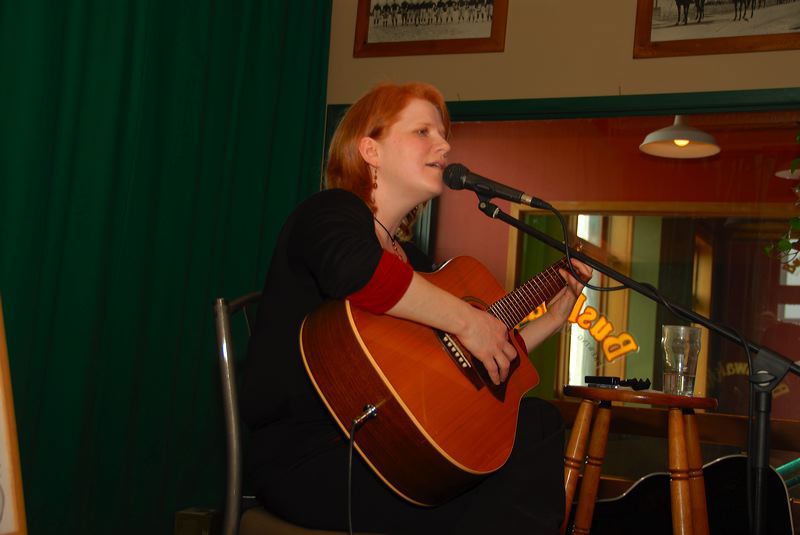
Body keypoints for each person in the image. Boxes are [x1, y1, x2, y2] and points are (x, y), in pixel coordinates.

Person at [241, 81, 592, 534]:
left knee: (536, 423)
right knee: (502, 498)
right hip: (312, 458)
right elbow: (357, 272)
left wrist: (551, 320)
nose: (444, 145)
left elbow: (462, 374)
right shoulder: (329, 214)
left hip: (394, 452)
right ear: (371, 150)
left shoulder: (418, 264)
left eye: (443, 134)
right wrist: (469, 321)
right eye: (423, 131)